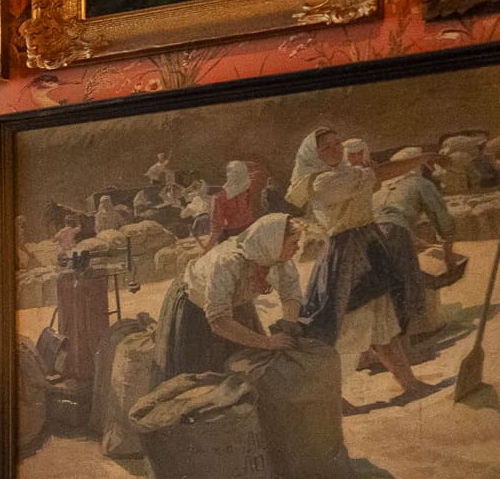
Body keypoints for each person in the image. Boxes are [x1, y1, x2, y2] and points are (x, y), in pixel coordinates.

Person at [292, 126, 435, 404]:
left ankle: (409, 383)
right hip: (347, 258)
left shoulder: (345, 174)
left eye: (337, 144)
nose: (335, 150)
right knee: (347, 329)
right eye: (327, 148)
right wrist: (420, 158)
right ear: (314, 155)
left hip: (368, 246)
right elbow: (378, 176)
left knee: (383, 322)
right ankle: (333, 400)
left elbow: (374, 182)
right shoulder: (323, 182)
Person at [159, 213, 299, 380]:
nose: (298, 248)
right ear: (273, 243)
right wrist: (267, 342)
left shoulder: (277, 258)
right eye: (293, 243)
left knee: (245, 364)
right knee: (206, 375)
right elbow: (219, 321)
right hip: (196, 308)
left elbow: (291, 293)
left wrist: (288, 325)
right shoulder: (227, 261)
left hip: (234, 305)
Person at [211, 159, 261, 244]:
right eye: (229, 171)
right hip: (250, 232)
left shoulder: (220, 197)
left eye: (231, 171)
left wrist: (207, 249)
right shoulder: (250, 187)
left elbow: (217, 227)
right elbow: (256, 171)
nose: (229, 174)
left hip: (231, 236)